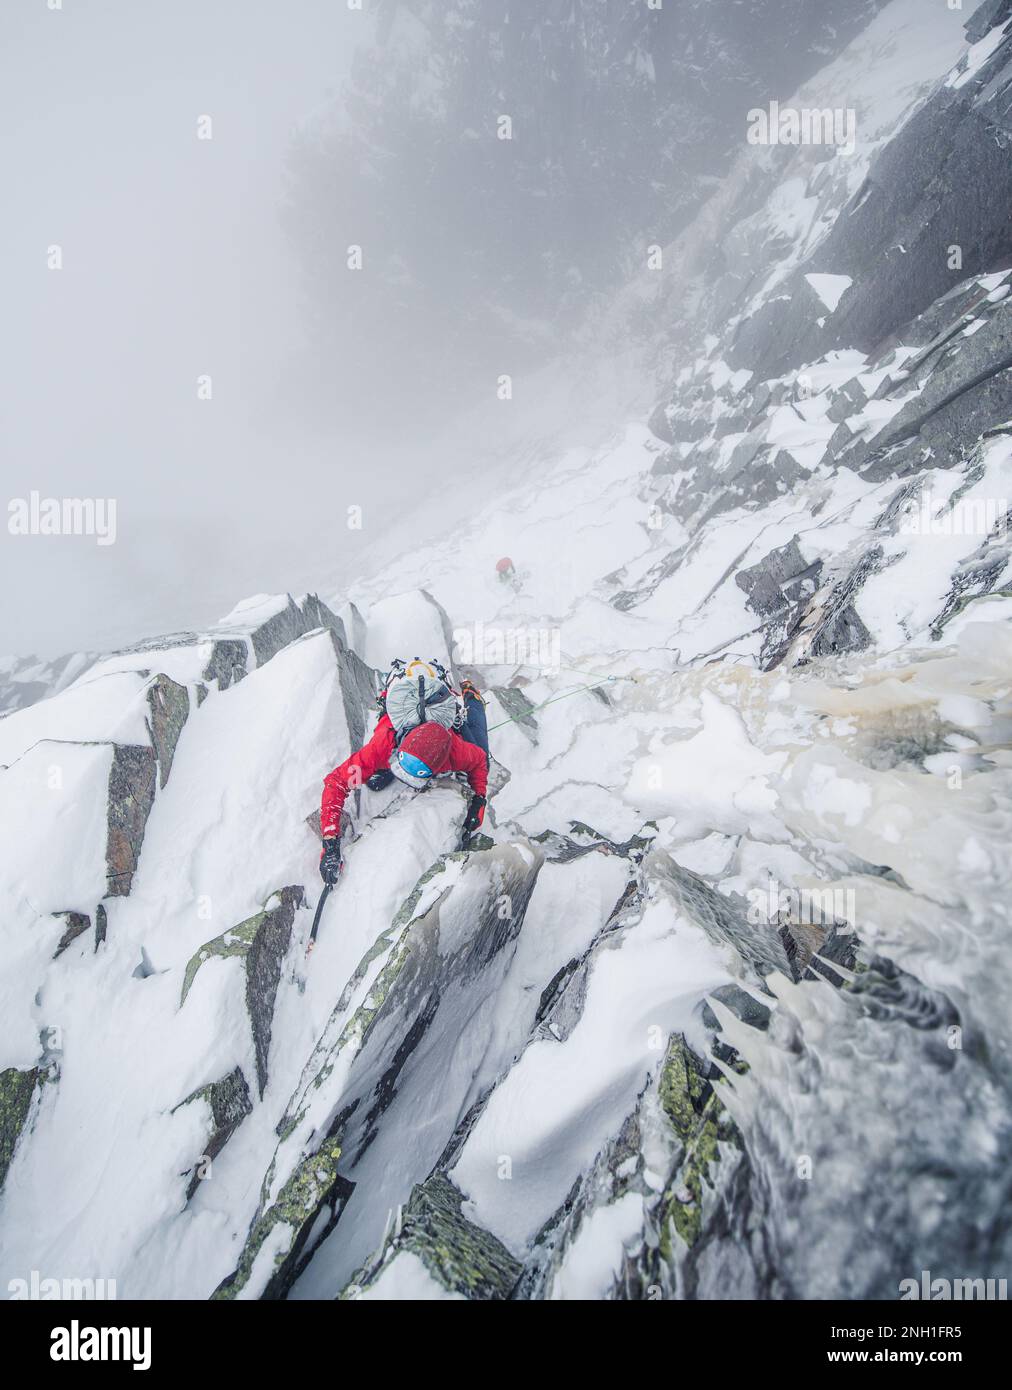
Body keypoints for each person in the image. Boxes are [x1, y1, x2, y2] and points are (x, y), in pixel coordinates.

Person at [319, 677, 489, 883]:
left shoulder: (456, 752)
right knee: (373, 781)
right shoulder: (381, 746)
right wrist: (330, 843)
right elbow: (337, 782)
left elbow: (479, 761)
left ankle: (473, 697)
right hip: (390, 746)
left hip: (437, 730)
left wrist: (480, 798)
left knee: (484, 752)